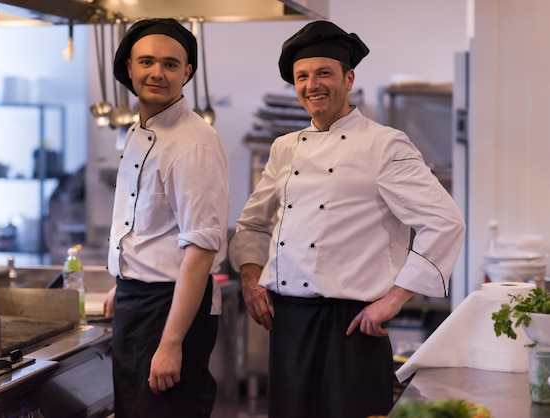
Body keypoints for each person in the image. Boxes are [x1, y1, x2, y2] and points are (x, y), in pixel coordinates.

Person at [228, 20, 465, 418]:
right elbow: (250, 224)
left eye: (324, 73)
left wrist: (393, 300)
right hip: (288, 323)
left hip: (352, 327)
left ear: (348, 77)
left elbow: (444, 222)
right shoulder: (285, 148)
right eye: (302, 76)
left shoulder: (384, 144)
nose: (312, 85)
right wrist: (251, 280)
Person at [103, 18, 229, 418]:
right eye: (147, 62)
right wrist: (123, 277)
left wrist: (171, 342)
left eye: (171, 65)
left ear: (187, 73)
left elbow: (200, 250)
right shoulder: (137, 132)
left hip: (171, 309)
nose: (157, 73)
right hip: (135, 303)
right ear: (128, 68)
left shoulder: (194, 144)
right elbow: (142, 221)